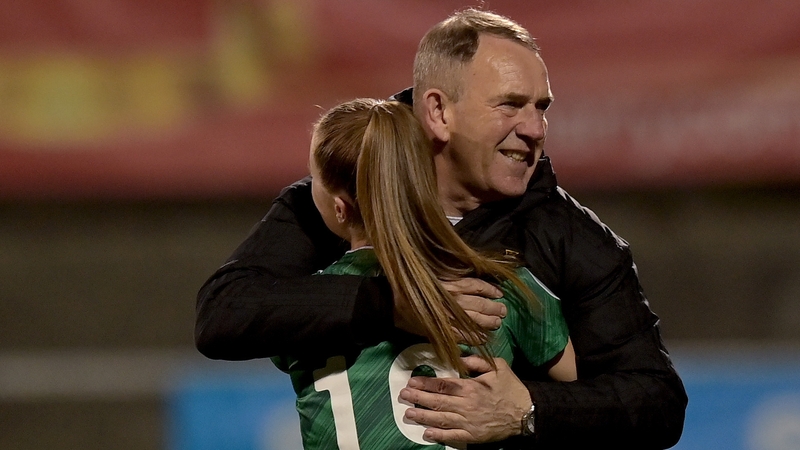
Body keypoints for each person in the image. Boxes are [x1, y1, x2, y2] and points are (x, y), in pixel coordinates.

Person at [195, 8, 688, 448]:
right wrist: (393, 305)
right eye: (510, 104)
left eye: (542, 107)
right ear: (438, 111)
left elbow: (657, 402)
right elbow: (224, 314)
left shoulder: (566, 236)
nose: (535, 129)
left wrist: (529, 411)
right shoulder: (347, 190)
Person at [275, 97, 576, 449]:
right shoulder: (502, 286)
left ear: (340, 208)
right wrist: (525, 410)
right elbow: (587, 408)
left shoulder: (296, 314)